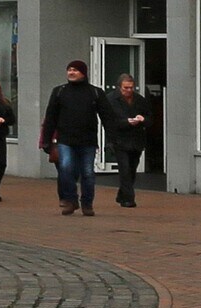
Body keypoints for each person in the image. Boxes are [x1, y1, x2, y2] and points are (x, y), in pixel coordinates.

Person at [40, 59, 108, 216]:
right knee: (66, 169)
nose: (71, 72)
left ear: (83, 73)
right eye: (69, 69)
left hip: (88, 141)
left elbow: (107, 117)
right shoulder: (59, 92)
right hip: (65, 140)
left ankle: (87, 203)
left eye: (75, 70)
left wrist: (111, 139)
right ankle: (71, 200)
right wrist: (46, 140)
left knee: (88, 173)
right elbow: (50, 117)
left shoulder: (95, 93)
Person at [101, 71, 154, 208]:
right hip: (119, 140)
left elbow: (150, 119)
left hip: (137, 140)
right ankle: (129, 199)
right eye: (126, 88)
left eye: (131, 87)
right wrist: (126, 122)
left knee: (131, 169)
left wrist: (143, 120)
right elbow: (108, 122)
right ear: (119, 87)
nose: (129, 91)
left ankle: (122, 194)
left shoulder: (140, 100)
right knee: (124, 169)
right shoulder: (110, 100)